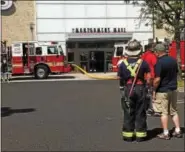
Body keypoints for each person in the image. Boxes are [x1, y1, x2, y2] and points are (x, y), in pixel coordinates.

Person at [118, 39, 151, 142]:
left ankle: (128, 135)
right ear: (139, 50)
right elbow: (149, 78)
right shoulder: (143, 63)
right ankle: (140, 135)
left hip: (128, 89)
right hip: (140, 88)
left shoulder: (122, 64)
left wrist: (122, 88)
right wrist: (148, 87)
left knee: (128, 111)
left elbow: (120, 78)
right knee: (140, 111)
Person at [153, 43, 182, 140]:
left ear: (157, 52)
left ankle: (165, 133)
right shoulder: (173, 60)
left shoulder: (159, 63)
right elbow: (177, 72)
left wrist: (154, 89)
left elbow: (157, 79)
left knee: (164, 112)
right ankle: (178, 130)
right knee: (174, 111)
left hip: (163, 90)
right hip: (173, 88)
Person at [141, 43, 159, 116]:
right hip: (152, 76)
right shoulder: (152, 56)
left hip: (144, 76)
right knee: (153, 93)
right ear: (151, 48)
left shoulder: (143, 55)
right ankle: (153, 109)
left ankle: (146, 108)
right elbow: (156, 65)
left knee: (146, 93)